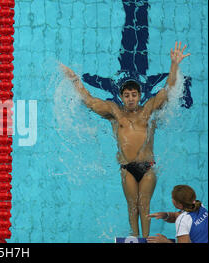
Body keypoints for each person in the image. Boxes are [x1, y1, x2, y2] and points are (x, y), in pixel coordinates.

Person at [60, 41, 190, 237]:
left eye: (134, 95)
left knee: (144, 204)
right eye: (127, 95)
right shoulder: (114, 113)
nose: (130, 98)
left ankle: (145, 239)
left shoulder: (148, 110)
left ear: (139, 96)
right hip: (127, 167)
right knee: (132, 206)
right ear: (121, 97)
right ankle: (134, 238)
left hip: (147, 166)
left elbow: (168, 89)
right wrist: (74, 79)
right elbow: (89, 100)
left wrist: (174, 64)